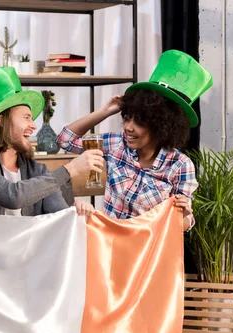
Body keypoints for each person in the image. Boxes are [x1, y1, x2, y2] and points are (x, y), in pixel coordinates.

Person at [57, 50, 213, 231]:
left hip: (147, 253)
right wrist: (104, 111)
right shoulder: (117, 145)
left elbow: (182, 226)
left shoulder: (180, 165)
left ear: (162, 126)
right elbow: (65, 140)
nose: (128, 127)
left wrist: (185, 214)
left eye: (139, 122)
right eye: (127, 118)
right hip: (109, 245)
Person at [0, 66, 104, 217]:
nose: (33, 125)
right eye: (26, 117)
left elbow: (58, 213)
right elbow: (11, 196)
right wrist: (71, 169)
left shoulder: (36, 169)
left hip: (29, 241)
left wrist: (76, 212)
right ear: (1, 121)